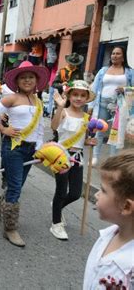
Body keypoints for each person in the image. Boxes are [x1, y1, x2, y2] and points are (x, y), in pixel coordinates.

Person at [0, 61, 49, 247]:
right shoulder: (12, 98)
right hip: (13, 147)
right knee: (15, 187)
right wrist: (2, 129)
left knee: (18, 184)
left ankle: (3, 206)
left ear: (36, 80)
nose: (27, 80)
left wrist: (39, 148)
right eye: (23, 77)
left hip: (30, 149)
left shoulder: (38, 101)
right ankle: (10, 228)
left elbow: (39, 127)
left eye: (31, 77)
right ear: (18, 81)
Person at [50, 81, 96, 240]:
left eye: (83, 95)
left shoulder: (87, 117)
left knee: (76, 193)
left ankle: (57, 206)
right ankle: (56, 223)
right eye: (75, 94)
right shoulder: (64, 112)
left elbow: (83, 139)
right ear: (69, 96)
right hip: (61, 155)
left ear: (87, 99)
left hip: (78, 158)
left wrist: (89, 142)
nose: (79, 98)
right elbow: (54, 126)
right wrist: (60, 107)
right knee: (61, 191)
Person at [83, 150, 134, 289]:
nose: (98, 194)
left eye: (104, 190)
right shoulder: (108, 235)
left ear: (126, 206)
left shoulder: (130, 267)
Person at [90, 46, 133, 165]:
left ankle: (112, 160)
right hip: (102, 104)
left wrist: (125, 89)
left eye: (118, 54)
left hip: (119, 107)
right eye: (113, 53)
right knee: (99, 130)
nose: (114, 55)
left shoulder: (129, 72)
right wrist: (90, 105)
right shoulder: (103, 70)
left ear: (123, 57)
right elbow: (93, 88)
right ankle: (95, 157)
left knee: (115, 133)